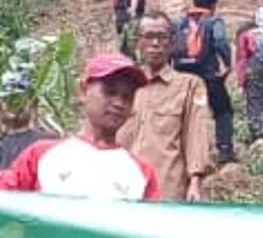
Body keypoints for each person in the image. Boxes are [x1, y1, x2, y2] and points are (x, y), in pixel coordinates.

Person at [0, 52, 160, 201]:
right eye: (110, 91)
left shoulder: (142, 173)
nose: (119, 103)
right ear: (83, 91)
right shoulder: (40, 156)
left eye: (127, 97)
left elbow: (151, 225)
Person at [117, 11, 212, 202]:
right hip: (121, 190)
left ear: (172, 42)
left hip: (166, 190)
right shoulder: (124, 87)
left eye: (161, 37)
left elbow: (197, 133)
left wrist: (195, 180)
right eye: (148, 37)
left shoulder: (189, 85)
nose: (155, 44)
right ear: (138, 42)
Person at [173, 0, 235, 164]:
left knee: (183, 112)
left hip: (182, 73)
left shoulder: (179, 21)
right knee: (223, 110)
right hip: (207, 73)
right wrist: (227, 63)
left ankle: (181, 149)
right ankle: (225, 149)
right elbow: (221, 42)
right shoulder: (213, 21)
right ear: (213, 4)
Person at [0, 72, 57, 169]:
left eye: (19, 99)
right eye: (8, 99)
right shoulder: (2, 144)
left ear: (31, 104)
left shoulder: (48, 141)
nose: (14, 105)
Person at [234, 21, 263, 145]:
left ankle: (259, 136)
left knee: (254, 99)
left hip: (255, 65)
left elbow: (242, 59)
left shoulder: (245, 35)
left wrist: (241, 83)